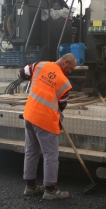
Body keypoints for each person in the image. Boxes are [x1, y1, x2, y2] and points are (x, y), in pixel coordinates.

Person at [19, 53, 77, 200]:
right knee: (50, 154)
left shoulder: (39, 65)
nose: (70, 72)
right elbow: (62, 105)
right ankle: (50, 190)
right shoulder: (64, 81)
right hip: (45, 120)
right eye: (70, 68)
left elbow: (22, 73)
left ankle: (30, 186)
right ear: (65, 63)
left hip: (30, 114)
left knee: (31, 151)